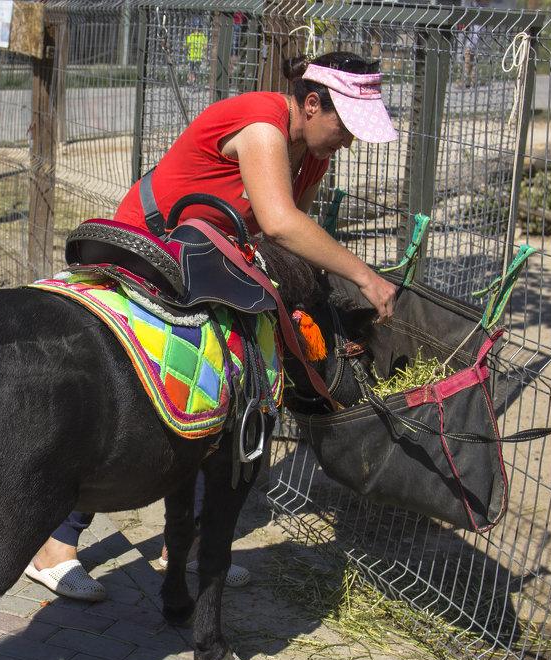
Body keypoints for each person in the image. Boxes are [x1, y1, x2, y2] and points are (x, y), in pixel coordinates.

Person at [24, 51, 399, 601]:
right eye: (345, 126)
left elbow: (284, 237)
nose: (348, 141)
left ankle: (190, 543)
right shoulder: (261, 122)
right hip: (151, 253)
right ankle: (56, 544)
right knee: (141, 398)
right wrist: (365, 276)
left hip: (211, 269)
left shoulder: (313, 151)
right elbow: (279, 220)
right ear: (312, 103)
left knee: (232, 398)